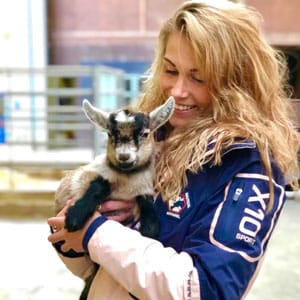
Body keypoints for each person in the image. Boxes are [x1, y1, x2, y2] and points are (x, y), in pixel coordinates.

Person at [48, 0, 300, 299]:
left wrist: (96, 233)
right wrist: (75, 233)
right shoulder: (152, 133)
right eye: (170, 70)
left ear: (237, 80)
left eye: (199, 77)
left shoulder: (247, 161)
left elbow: (208, 289)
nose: (178, 91)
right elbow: (98, 269)